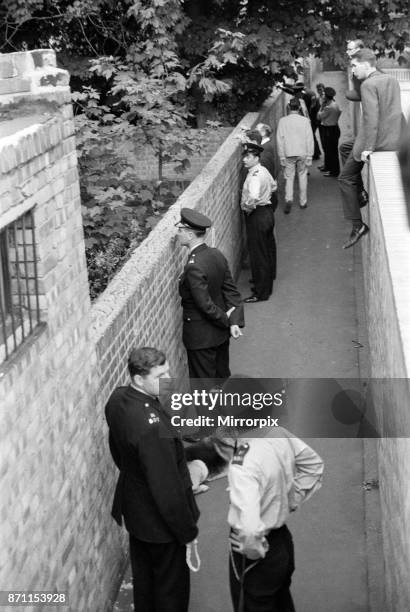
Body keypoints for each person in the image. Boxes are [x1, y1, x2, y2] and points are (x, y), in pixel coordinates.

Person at [105, 347, 200, 612]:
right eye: (160, 375)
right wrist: (187, 531)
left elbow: (117, 448)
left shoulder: (117, 399)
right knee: (171, 590)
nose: (167, 379)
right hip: (160, 524)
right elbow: (167, 488)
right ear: (138, 379)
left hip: (136, 513)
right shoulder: (152, 429)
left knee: (145, 582)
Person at [220, 427, 324, 612]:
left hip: (257, 551)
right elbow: (313, 465)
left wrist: (253, 551)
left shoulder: (241, 464)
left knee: (253, 604)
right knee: (281, 600)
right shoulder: (278, 433)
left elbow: (250, 530)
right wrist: (289, 501)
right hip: (282, 541)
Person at [338, 48, 403, 248]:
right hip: (393, 139)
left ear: (366, 64)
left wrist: (369, 147)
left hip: (377, 141)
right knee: (345, 147)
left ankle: (358, 225)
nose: (353, 71)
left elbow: (371, 117)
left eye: (355, 66)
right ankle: (361, 193)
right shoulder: (390, 80)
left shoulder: (368, 85)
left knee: (345, 178)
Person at [176, 208, 244, 379]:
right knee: (221, 378)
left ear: (190, 235)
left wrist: (227, 320)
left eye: (180, 230)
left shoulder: (193, 266)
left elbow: (204, 304)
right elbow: (231, 290)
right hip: (220, 336)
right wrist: (234, 321)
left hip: (201, 338)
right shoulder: (216, 254)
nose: (178, 234)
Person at [241, 142, 277, 303]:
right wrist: (266, 195)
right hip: (267, 212)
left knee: (258, 255)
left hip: (257, 215)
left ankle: (261, 292)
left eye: (248, 157)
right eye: (244, 156)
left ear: (256, 158)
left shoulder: (255, 176)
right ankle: (267, 282)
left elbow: (253, 197)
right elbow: (274, 186)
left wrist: (247, 208)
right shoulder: (263, 171)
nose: (244, 160)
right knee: (267, 250)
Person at [276, 97, 314, 213]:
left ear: (289, 107)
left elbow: (279, 140)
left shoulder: (282, 121)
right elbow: (309, 139)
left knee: (289, 177)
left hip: (288, 154)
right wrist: (310, 155)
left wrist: (281, 156)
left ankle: (288, 199)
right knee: (302, 176)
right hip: (302, 153)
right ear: (299, 108)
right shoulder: (305, 121)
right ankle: (303, 202)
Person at [317, 86, 341, 177]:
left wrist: (321, 107)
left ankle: (334, 171)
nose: (322, 96)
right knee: (331, 150)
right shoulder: (335, 104)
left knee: (330, 151)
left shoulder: (328, 107)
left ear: (327, 97)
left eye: (323, 95)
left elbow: (318, 117)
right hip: (334, 128)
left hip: (329, 130)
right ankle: (330, 168)